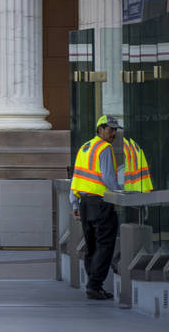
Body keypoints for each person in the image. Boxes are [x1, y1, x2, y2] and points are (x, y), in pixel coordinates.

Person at [71, 114, 126, 300]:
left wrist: (74, 202)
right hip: (101, 203)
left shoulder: (85, 147)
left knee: (92, 245)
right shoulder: (104, 148)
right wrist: (120, 194)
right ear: (100, 129)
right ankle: (94, 286)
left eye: (115, 129)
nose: (113, 133)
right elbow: (109, 178)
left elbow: (76, 177)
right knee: (105, 245)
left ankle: (92, 284)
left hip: (85, 203)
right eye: (110, 129)